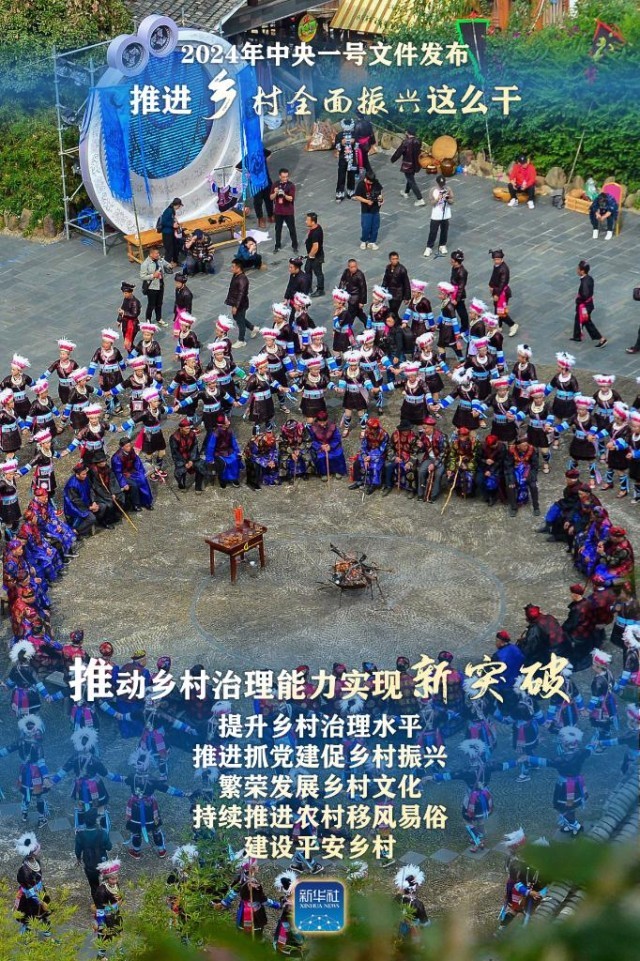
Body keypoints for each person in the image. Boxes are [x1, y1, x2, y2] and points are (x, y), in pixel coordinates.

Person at [75, 806, 113, 898]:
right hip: (103, 862)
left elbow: (77, 850)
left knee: (94, 886)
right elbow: (109, 847)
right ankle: (108, 901)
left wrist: (78, 858)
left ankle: (98, 903)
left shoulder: (80, 834)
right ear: (96, 820)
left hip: (89, 864)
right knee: (106, 883)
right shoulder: (102, 833)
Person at [111, 436, 154, 512]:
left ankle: (147, 502)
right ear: (122, 447)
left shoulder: (131, 451)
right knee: (134, 485)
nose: (129, 447)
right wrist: (123, 484)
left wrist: (140, 471)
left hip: (132, 471)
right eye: (127, 446)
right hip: (123, 474)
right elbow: (118, 472)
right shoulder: (116, 457)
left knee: (143, 480)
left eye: (130, 445)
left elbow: (137, 460)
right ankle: (136, 504)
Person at [571, 260, 606, 347]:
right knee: (578, 319)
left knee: (587, 322)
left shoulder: (584, 282)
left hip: (584, 306)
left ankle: (601, 338)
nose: (577, 270)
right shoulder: (589, 278)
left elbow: (585, 295)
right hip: (588, 304)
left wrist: (578, 300)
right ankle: (577, 336)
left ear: (582, 271)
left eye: (578, 269)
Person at [307, 410, 347, 480]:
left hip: (331, 445)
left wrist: (330, 446)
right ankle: (323, 473)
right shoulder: (313, 428)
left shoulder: (332, 426)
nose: (322, 424)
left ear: (327, 420)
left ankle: (337, 471)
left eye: (324, 422)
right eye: (320, 422)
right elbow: (312, 440)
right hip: (320, 446)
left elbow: (337, 437)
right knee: (321, 457)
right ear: (317, 421)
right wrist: (320, 446)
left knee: (337, 454)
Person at [225, 258, 256, 348]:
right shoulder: (236, 275)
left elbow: (241, 294)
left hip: (241, 304)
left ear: (238, 268)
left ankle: (241, 340)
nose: (231, 268)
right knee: (238, 318)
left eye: (233, 267)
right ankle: (253, 328)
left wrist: (236, 306)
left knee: (240, 322)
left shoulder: (242, 279)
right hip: (236, 302)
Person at [170, 419, 206, 493]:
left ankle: (198, 487)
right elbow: (175, 452)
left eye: (189, 428)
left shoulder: (192, 434)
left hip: (191, 456)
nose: (189, 430)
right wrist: (184, 463)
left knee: (201, 466)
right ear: (181, 428)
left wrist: (192, 460)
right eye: (186, 428)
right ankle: (182, 485)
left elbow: (195, 447)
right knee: (179, 472)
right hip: (180, 458)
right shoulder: (174, 437)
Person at [391, 128, 425, 206]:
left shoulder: (406, 142)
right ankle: (406, 192)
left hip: (408, 165)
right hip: (416, 164)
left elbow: (398, 152)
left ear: (407, 133)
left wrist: (393, 159)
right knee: (410, 178)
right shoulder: (418, 141)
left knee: (411, 181)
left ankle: (420, 199)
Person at [63, 463, 98, 537]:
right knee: (91, 518)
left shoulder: (85, 478)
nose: (85, 476)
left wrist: (93, 501)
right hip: (75, 506)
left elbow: (91, 489)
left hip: (86, 502)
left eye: (86, 473)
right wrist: (89, 507)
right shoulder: (72, 485)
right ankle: (77, 531)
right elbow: (76, 501)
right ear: (77, 474)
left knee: (102, 506)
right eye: (83, 474)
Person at [488, 249, 518, 336]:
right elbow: (493, 277)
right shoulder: (497, 266)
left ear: (502, 259)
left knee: (501, 312)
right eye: (495, 259)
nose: (496, 261)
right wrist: (490, 285)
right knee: (497, 309)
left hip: (502, 293)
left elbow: (502, 283)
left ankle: (512, 325)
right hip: (496, 290)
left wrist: (497, 294)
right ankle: (499, 326)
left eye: (498, 259)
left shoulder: (504, 269)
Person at [423, 175, 453, 257]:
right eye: (440, 184)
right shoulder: (433, 190)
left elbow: (452, 201)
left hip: (445, 214)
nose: (442, 185)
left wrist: (447, 198)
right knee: (433, 231)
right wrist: (437, 199)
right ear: (437, 183)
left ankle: (442, 245)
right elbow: (431, 203)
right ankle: (429, 247)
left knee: (444, 231)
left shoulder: (448, 189)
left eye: (443, 183)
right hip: (436, 215)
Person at [353, 170, 384, 250]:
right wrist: (367, 201)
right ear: (366, 179)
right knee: (366, 226)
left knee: (375, 226)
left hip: (376, 208)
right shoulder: (361, 185)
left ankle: (372, 242)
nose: (371, 183)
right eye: (370, 181)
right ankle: (363, 240)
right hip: (366, 209)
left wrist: (381, 198)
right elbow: (357, 196)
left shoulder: (375, 182)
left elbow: (380, 191)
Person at [140, 247, 170, 327]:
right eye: (156, 253)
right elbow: (142, 276)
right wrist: (153, 275)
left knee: (159, 303)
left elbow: (165, 263)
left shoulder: (159, 259)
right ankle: (148, 321)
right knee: (151, 305)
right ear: (151, 254)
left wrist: (169, 265)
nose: (158, 255)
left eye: (158, 253)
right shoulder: (145, 264)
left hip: (160, 285)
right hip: (152, 287)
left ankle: (159, 319)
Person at [270, 168, 298, 253]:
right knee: (278, 229)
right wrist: (275, 193)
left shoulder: (291, 185)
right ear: (280, 176)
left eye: (286, 177)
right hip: (278, 211)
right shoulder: (275, 184)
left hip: (288, 211)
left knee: (292, 229)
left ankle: (295, 246)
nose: (285, 178)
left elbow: (291, 198)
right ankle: (277, 245)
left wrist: (284, 194)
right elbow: (271, 197)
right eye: (283, 177)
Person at [339, 258, 368, 329]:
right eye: (352, 267)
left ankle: (347, 329)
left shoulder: (360, 275)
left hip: (356, 297)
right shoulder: (346, 272)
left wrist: (362, 302)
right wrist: (340, 292)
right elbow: (342, 281)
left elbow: (363, 288)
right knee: (359, 313)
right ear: (348, 267)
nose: (354, 268)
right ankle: (368, 324)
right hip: (349, 295)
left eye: (355, 266)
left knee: (351, 314)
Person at [334, 118, 359, 201]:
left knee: (351, 176)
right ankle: (339, 193)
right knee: (341, 176)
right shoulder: (339, 135)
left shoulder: (355, 135)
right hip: (343, 159)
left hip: (352, 159)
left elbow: (357, 147)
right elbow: (337, 147)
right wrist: (341, 143)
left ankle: (351, 192)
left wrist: (354, 142)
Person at [382, 252, 411, 319]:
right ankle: (398, 322)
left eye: (396, 259)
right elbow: (385, 280)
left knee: (393, 311)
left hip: (398, 294)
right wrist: (382, 290)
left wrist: (407, 297)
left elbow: (406, 284)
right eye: (393, 259)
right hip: (390, 292)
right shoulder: (388, 268)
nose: (395, 260)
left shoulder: (402, 269)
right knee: (393, 310)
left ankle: (396, 323)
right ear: (390, 260)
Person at [304, 212, 325, 297]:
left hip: (316, 256)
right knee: (307, 269)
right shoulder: (315, 227)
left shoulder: (316, 232)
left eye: (307, 220)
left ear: (313, 222)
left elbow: (316, 247)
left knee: (318, 272)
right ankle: (308, 287)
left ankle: (320, 289)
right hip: (312, 255)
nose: (306, 221)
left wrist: (310, 255)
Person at [117, 283, 141, 353]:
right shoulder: (126, 299)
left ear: (131, 292)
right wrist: (119, 320)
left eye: (126, 293)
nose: (124, 295)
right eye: (124, 293)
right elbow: (122, 309)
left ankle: (134, 355)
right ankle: (134, 354)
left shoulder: (135, 302)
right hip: (125, 324)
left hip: (132, 325)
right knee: (127, 343)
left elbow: (134, 314)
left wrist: (124, 312)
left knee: (129, 343)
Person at [449, 249, 469, 333]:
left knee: (461, 312)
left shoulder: (462, 272)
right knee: (449, 309)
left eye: (453, 261)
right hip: (452, 292)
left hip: (458, 295)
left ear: (457, 262)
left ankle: (465, 327)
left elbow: (461, 287)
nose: (451, 262)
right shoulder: (454, 268)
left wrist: (456, 299)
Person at [159, 197, 183, 265]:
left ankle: (175, 261)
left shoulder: (172, 210)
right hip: (167, 233)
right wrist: (172, 225)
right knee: (169, 249)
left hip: (172, 232)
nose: (179, 207)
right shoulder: (168, 211)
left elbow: (172, 218)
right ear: (177, 205)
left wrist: (176, 222)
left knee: (175, 247)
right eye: (179, 206)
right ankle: (167, 263)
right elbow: (163, 222)